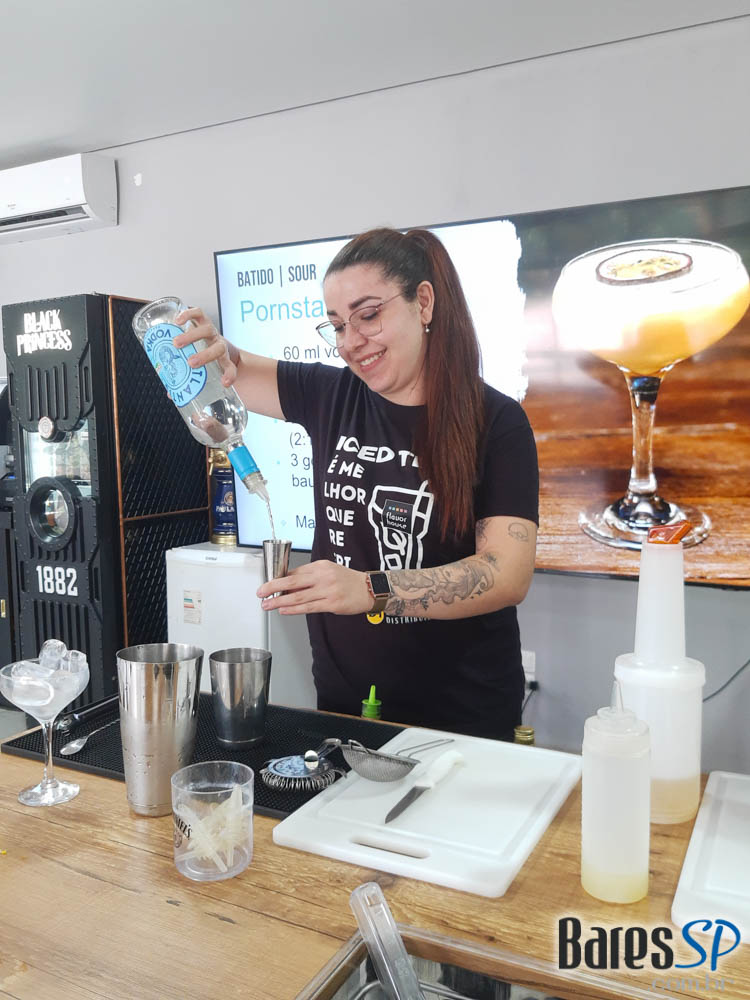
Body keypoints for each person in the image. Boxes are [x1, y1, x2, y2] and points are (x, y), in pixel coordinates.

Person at [175, 227, 538, 739]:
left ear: (423, 303)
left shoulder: (497, 422)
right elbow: (233, 370)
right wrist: (213, 354)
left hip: (463, 717)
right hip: (346, 706)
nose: (350, 342)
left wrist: (370, 589)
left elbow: (506, 573)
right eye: (337, 325)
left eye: (368, 316)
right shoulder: (331, 394)